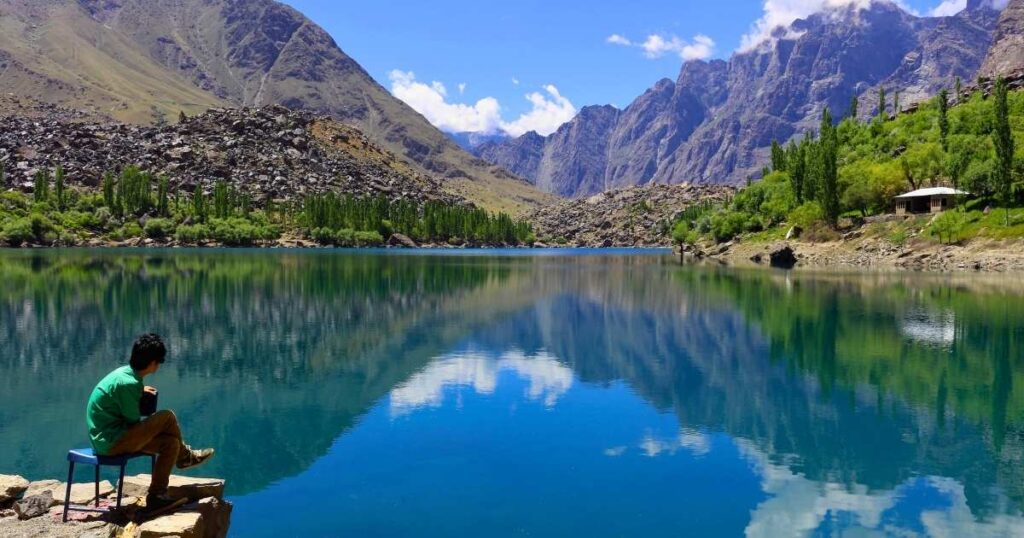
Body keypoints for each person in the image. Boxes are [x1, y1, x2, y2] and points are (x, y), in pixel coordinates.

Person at [86, 333, 215, 513]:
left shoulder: (126, 375)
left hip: (110, 437)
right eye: (159, 362)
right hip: (111, 442)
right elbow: (132, 422)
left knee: (170, 444)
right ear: (153, 363)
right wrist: (140, 398)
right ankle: (186, 457)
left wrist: (140, 391)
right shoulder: (129, 384)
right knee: (167, 416)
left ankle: (157, 496)